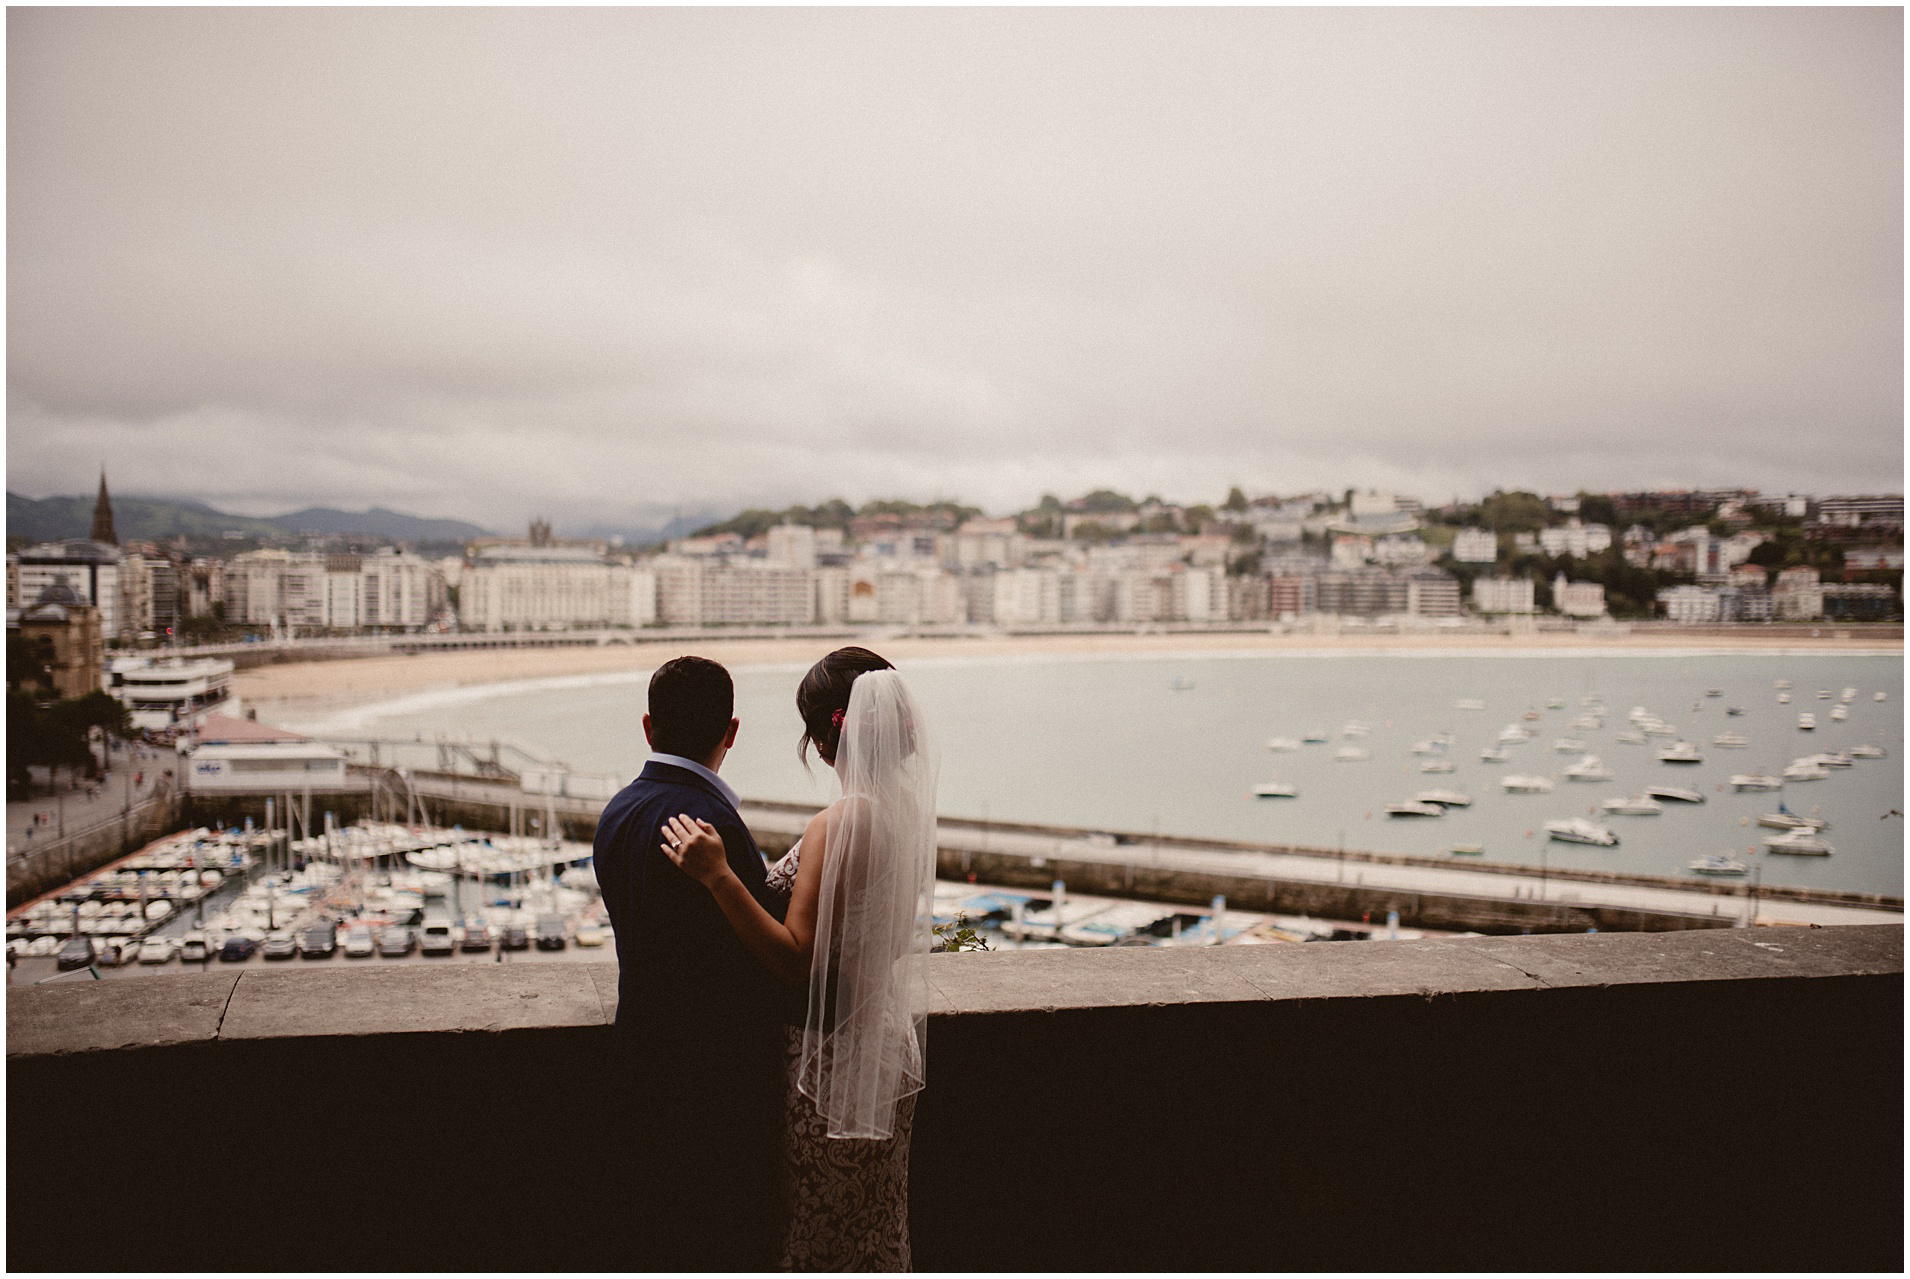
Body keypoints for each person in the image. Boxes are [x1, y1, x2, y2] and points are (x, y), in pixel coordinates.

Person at [662, 646, 939, 1271]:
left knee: (821, 1227)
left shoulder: (838, 825)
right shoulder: (906, 811)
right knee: (873, 1221)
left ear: (819, 738)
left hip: (829, 1058)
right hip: (885, 1042)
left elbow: (796, 960)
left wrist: (719, 877)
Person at [593, 655, 788, 1271]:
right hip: (712, 1085)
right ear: (731, 732)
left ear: (649, 729)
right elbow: (755, 955)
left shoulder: (618, 810)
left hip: (637, 1056)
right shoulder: (712, 823)